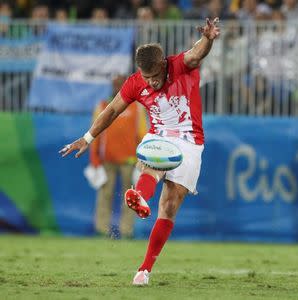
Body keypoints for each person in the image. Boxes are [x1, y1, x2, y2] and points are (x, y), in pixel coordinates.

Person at [59, 17, 221, 285]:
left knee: (170, 204)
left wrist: (208, 39)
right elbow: (111, 110)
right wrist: (87, 138)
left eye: (155, 77)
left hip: (190, 139)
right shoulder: (136, 83)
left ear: (162, 65)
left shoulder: (180, 65)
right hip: (158, 136)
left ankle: (144, 268)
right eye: (147, 78)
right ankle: (140, 196)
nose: (152, 83)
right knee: (152, 163)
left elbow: (197, 53)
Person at [89, 74, 147, 239]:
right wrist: (94, 158)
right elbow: (95, 133)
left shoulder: (137, 107)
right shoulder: (103, 106)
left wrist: (143, 160)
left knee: (130, 198)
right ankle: (101, 230)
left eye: (121, 84)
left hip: (130, 161)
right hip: (107, 160)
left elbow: (142, 135)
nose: (118, 87)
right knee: (104, 195)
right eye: (116, 84)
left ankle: (126, 231)